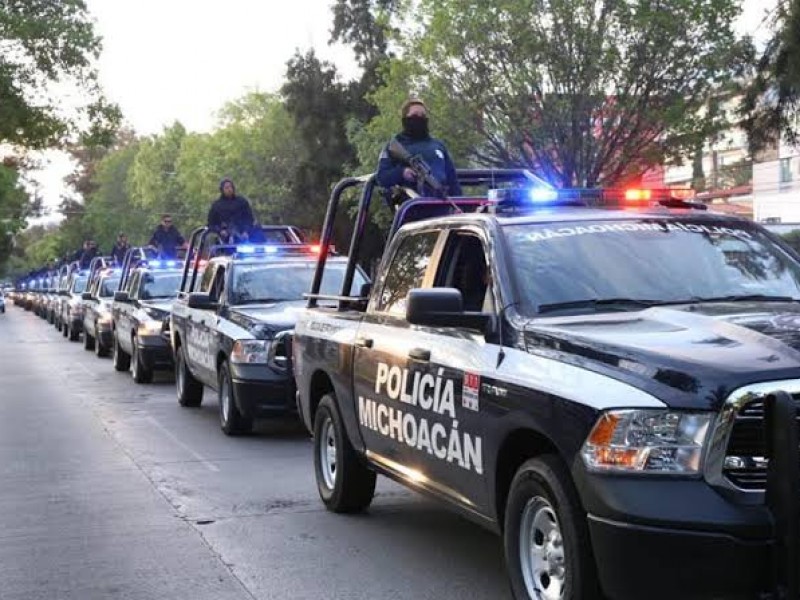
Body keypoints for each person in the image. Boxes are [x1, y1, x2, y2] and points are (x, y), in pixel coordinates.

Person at [376, 98, 461, 198]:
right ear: (405, 119)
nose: (419, 119)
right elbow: (381, 178)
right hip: (411, 208)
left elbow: (453, 181)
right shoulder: (395, 145)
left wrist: (461, 206)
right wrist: (402, 173)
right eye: (415, 115)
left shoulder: (438, 145)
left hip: (442, 205)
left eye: (423, 116)